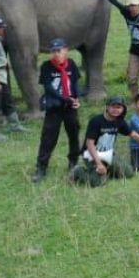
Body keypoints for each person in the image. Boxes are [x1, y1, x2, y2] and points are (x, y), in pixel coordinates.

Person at [33, 38, 82, 183]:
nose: (56, 54)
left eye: (59, 50)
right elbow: (48, 87)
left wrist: (76, 99)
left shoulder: (71, 64)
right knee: (48, 137)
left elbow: (74, 84)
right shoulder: (46, 66)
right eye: (53, 51)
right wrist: (64, 98)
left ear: (66, 50)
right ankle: (41, 167)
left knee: (74, 134)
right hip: (54, 107)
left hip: (70, 107)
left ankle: (73, 161)